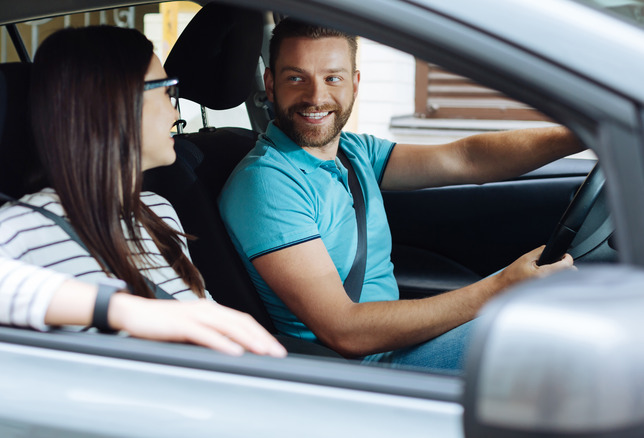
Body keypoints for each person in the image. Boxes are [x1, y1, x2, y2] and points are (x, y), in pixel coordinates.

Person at [219, 18, 580, 371]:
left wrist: (580, 136)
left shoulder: (354, 152)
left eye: (333, 78)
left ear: (355, 84)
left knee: (569, 305)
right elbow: (345, 330)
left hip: (396, 344)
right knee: (565, 331)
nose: (316, 96)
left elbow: (466, 159)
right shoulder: (266, 182)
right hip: (366, 370)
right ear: (270, 84)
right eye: (296, 78)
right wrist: (498, 288)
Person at [0, 26, 286, 358]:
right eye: (165, 90)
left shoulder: (156, 210)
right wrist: (126, 310)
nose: (175, 112)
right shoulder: (31, 224)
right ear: (115, 103)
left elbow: (196, 317)